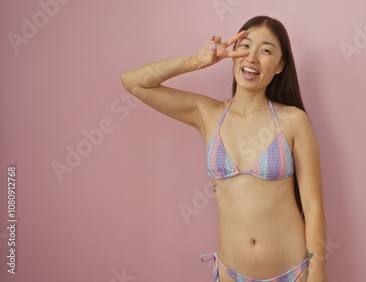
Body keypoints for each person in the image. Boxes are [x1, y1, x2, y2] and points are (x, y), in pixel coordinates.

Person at [121, 15, 326, 282]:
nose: (251, 58)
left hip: (293, 272)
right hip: (231, 273)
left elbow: (313, 208)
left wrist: (318, 271)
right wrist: (198, 61)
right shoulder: (208, 114)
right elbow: (133, 82)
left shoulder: (293, 121)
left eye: (265, 51)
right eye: (245, 46)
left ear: (279, 65)